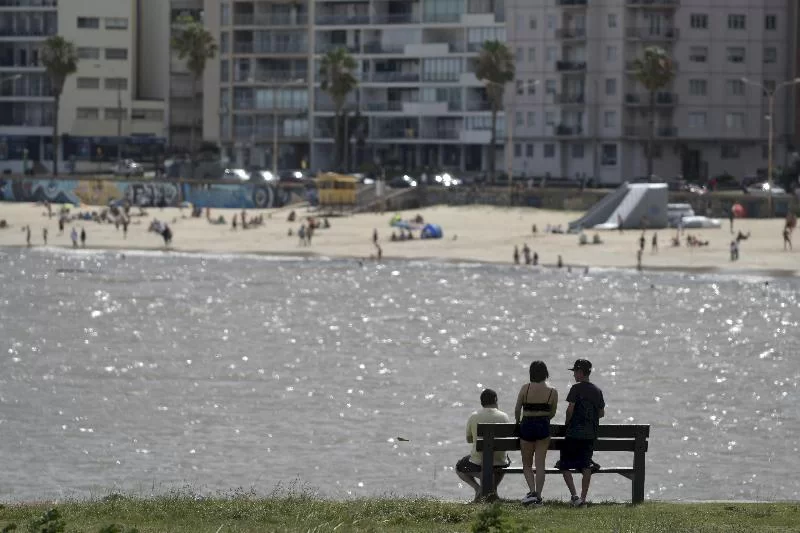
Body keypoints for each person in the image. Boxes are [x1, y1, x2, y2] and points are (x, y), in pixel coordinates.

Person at [557, 359, 605, 507]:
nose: (574, 376)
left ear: (580, 372)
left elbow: (570, 409)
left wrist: (567, 423)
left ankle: (574, 496)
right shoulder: (597, 391)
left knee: (563, 465)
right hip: (589, 436)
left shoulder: (576, 388)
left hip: (573, 435)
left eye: (575, 372)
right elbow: (601, 413)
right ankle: (583, 499)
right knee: (586, 466)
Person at [455, 389, 511, 502]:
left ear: (481, 402)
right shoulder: (504, 417)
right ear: (495, 400)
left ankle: (478, 488)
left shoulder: (474, 416)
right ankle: (492, 491)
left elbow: (469, 439)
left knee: (459, 467)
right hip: (500, 461)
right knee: (505, 460)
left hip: (479, 461)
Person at [514, 361, 558, 506]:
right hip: (543, 427)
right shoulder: (552, 391)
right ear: (545, 373)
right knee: (540, 464)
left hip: (526, 426)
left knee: (527, 464)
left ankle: (532, 492)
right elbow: (552, 413)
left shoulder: (525, 388)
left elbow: (517, 409)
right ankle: (538, 495)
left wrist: (517, 422)